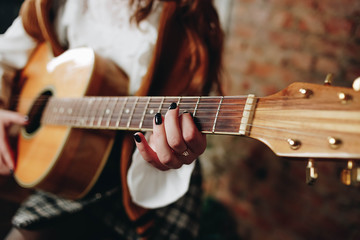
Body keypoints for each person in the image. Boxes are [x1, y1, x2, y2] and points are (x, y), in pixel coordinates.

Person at [0, 0, 224, 239]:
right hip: (72, 163)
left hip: (150, 181)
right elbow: (5, 56)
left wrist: (169, 147)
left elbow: (181, 118)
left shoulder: (189, 23)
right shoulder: (53, 5)